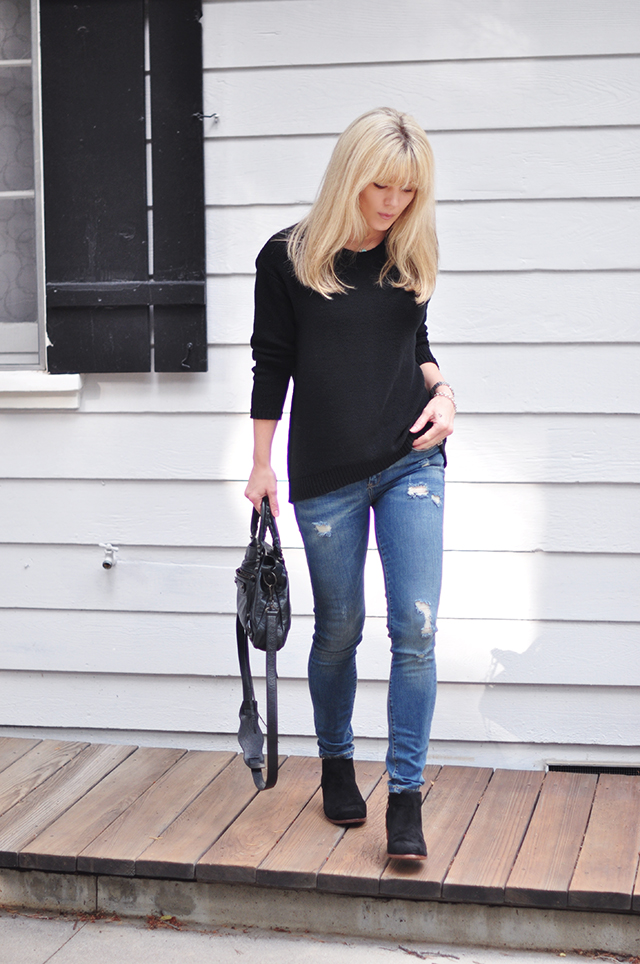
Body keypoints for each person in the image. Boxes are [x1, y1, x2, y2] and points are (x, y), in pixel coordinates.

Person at [245, 107, 455, 860]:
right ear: (349, 175)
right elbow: (272, 361)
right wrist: (263, 462)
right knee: (339, 629)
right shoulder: (288, 258)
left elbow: (417, 344)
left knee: (417, 629)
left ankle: (405, 796)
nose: (394, 203)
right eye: (380, 187)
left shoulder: (409, 246)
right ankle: (337, 761)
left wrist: (447, 394)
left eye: (407, 189)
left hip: (411, 459)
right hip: (327, 473)